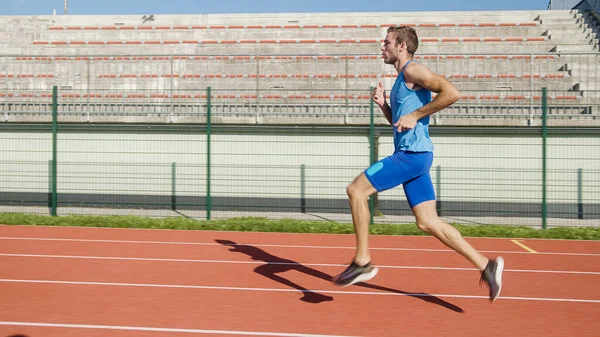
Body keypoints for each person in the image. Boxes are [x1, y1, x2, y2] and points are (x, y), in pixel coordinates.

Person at [331, 26, 504, 302]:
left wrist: (417, 112)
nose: (381, 47)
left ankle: (362, 260)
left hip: (410, 157)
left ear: (401, 45)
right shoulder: (400, 80)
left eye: (386, 42)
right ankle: (487, 265)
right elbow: (402, 124)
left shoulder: (412, 71)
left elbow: (451, 93)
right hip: (416, 156)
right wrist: (384, 105)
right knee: (427, 222)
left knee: (356, 191)